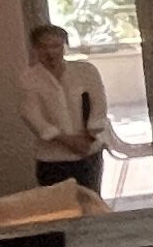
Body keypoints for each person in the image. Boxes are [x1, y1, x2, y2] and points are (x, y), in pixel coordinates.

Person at [20, 22, 109, 193]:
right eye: (43, 47)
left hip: (88, 152)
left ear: (64, 46)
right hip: (52, 158)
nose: (50, 52)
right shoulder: (29, 79)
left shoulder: (86, 71)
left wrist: (88, 138)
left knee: (91, 200)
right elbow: (32, 116)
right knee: (58, 204)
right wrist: (68, 140)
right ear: (35, 49)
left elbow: (99, 106)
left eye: (56, 46)